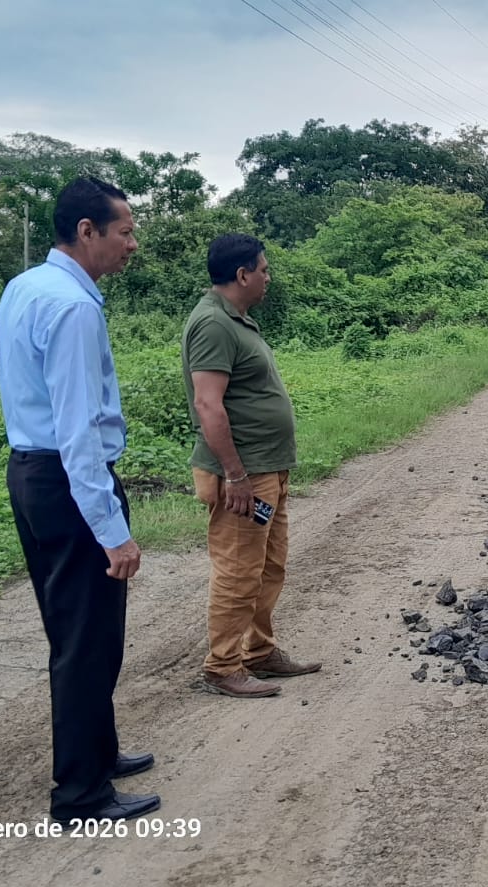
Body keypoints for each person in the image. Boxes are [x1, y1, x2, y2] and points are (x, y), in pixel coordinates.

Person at [0, 176, 160, 823]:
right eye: (125, 231)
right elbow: (78, 431)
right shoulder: (73, 308)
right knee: (88, 640)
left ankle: (98, 752)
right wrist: (112, 530)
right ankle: (81, 795)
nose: (132, 244)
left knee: (73, 631)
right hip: (67, 480)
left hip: (31, 474)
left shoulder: (27, 286)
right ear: (87, 232)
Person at [182, 233, 320, 699]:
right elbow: (208, 404)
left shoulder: (236, 320)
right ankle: (223, 666)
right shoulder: (213, 325)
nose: (268, 277)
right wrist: (235, 476)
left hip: (267, 469)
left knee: (269, 566)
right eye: (263, 270)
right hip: (245, 475)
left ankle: (259, 651)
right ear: (242, 275)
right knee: (239, 570)